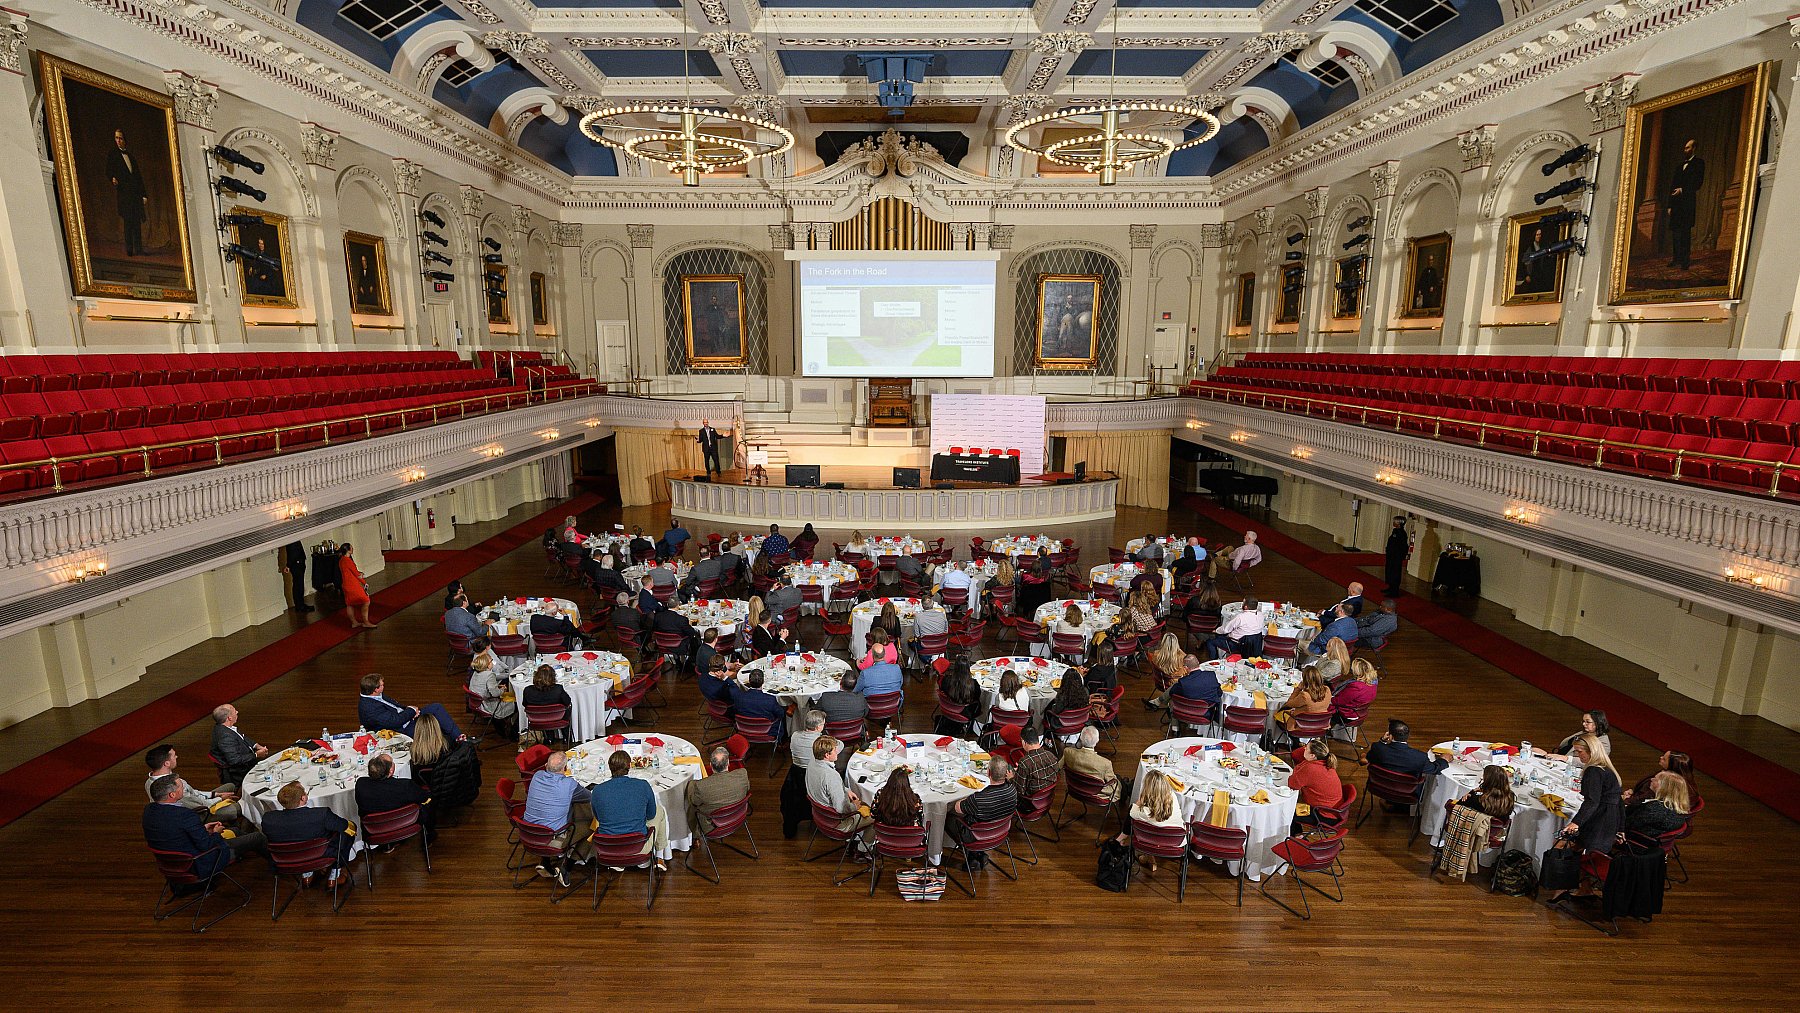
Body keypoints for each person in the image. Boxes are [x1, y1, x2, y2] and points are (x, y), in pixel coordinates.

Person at [143, 775, 264, 879]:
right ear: (172, 794)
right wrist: (216, 832)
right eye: (181, 787)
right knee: (258, 837)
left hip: (170, 864)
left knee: (236, 831)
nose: (184, 788)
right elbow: (207, 845)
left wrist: (204, 829)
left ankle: (245, 852)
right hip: (199, 862)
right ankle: (276, 868)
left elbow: (176, 832)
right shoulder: (186, 815)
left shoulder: (149, 811)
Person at [1552, 733, 1624, 901]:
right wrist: (1621, 828)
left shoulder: (1593, 771)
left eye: (1579, 752)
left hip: (1599, 822)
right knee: (1584, 850)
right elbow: (1618, 801)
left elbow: (1592, 801)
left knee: (1566, 847)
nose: (1577, 755)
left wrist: (1576, 822)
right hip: (1609, 820)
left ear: (1590, 751)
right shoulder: (1607, 769)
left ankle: (1562, 888)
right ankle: (1584, 888)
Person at [263, 781, 356, 887]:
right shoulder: (321, 814)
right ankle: (335, 875)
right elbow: (344, 826)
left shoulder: (268, 820)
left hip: (286, 860)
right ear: (303, 798)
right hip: (320, 854)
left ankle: (306, 875)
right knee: (347, 832)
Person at [523, 751, 591, 884]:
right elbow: (588, 797)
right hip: (552, 838)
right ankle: (566, 867)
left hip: (528, 833)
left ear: (545, 765)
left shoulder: (537, 776)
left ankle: (545, 861)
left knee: (551, 815)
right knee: (591, 827)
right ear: (565, 769)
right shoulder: (569, 784)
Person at [142, 744, 240, 824]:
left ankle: (231, 821)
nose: (176, 757)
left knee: (230, 786)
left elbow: (193, 793)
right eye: (174, 755)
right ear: (166, 763)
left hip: (196, 801)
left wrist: (214, 794)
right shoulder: (174, 789)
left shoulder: (150, 780)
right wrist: (220, 799)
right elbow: (198, 804)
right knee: (239, 808)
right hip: (199, 812)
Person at [358, 673, 467, 743]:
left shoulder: (376, 696)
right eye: (382, 685)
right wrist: (411, 711)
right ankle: (454, 741)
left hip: (406, 717)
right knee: (431, 727)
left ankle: (459, 737)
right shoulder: (369, 707)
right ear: (375, 690)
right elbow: (395, 722)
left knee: (436, 708)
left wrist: (412, 711)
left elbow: (396, 707)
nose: (384, 685)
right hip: (400, 729)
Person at [411, 718, 480, 823]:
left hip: (431, 785)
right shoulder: (447, 743)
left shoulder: (416, 752)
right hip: (448, 784)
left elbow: (415, 778)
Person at [949, 758, 1016, 864]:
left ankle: (972, 853)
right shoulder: (1012, 790)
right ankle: (977, 854)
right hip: (1000, 832)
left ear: (988, 772)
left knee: (948, 817)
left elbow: (958, 807)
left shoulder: (978, 798)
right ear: (1006, 773)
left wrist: (965, 798)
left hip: (977, 835)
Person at [806, 736, 872, 843]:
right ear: (827, 755)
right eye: (834, 750)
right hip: (838, 823)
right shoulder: (831, 776)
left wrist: (845, 790)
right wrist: (855, 805)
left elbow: (828, 788)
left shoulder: (812, 763)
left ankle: (857, 840)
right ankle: (862, 851)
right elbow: (842, 809)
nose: (837, 751)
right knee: (877, 816)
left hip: (821, 817)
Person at [354, 752, 434, 837]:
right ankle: (430, 835)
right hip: (405, 824)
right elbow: (424, 798)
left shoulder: (361, 785)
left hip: (374, 830)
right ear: (391, 771)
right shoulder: (405, 786)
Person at [686, 745, 750, 833]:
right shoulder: (742, 774)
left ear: (710, 764)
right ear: (728, 763)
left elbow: (694, 802)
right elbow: (747, 789)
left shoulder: (701, 786)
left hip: (712, 826)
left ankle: (695, 836)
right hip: (738, 816)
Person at [1287, 739, 1343, 831]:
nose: (1304, 748)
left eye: (1306, 748)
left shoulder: (1310, 768)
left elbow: (1292, 784)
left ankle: (1294, 838)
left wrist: (1298, 768)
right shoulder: (1325, 763)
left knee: (1287, 811)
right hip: (1333, 811)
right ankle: (1297, 834)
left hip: (1323, 815)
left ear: (1313, 756)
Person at [1666, 138, 1704, 271]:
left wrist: (1682, 190)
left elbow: (1698, 183)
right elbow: (1672, 185)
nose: (1685, 150)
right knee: (1676, 233)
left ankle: (1685, 261)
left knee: (1685, 233)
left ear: (1694, 148)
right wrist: (1670, 206)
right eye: (1685, 148)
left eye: (1688, 148)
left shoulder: (1699, 163)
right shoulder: (1679, 166)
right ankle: (1676, 259)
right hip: (1676, 205)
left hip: (1687, 204)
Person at [1365, 719, 1447, 781]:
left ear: (1390, 736)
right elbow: (1434, 769)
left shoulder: (1378, 748)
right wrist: (1443, 760)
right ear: (1408, 735)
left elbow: (1370, 757)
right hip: (1406, 793)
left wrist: (1382, 741)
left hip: (1379, 786)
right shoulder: (1419, 757)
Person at [210, 703, 267, 787]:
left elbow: (243, 738)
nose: (237, 712)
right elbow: (235, 760)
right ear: (229, 718)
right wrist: (256, 754)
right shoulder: (225, 737)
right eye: (234, 711)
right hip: (241, 771)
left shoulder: (223, 727)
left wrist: (257, 746)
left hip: (248, 761)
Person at [1623, 772, 1691, 839]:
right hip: (1652, 840)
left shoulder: (1653, 809)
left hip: (1635, 840)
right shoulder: (1677, 807)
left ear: (1664, 787)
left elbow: (1626, 824)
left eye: (1655, 779)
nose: (1651, 779)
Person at [1060, 726, 1120, 801]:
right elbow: (1112, 783)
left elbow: (1058, 767)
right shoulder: (1105, 763)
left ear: (1081, 739)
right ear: (1097, 741)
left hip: (1075, 788)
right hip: (1095, 793)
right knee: (1119, 781)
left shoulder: (1068, 752)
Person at [1624, 750, 1698, 808]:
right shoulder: (1666, 775)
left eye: (1664, 759)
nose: (1661, 757)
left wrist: (1627, 799)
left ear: (1672, 767)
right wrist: (1633, 791)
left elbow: (1645, 798)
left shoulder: (1667, 785)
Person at [521, 664, 573, 744]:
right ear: (553, 677)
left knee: (545, 712)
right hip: (557, 717)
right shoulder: (558, 689)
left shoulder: (528, 690)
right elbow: (568, 702)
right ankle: (566, 737)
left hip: (537, 719)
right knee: (566, 709)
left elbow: (525, 704)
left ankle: (549, 738)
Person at [729, 668, 787, 739]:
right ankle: (783, 740)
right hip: (768, 732)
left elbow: (734, 711)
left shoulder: (739, 697)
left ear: (749, 681)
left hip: (744, 729)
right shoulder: (770, 699)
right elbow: (781, 714)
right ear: (763, 681)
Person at [1537, 709, 1612, 760]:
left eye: (1587, 722)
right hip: (1558, 757)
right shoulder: (1584, 733)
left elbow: (1593, 762)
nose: (1584, 724)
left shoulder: (1603, 742)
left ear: (1598, 723)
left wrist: (1565, 758)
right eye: (1583, 721)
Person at [1043, 666, 1094, 737]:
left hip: (1063, 724)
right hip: (1080, 722)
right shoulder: (1085, 691)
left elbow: (1057, 711)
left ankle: (1047, 737)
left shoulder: (1062, 695)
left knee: (1046, 712)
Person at [1330, 657, 1380, 728]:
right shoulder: (1373, 683)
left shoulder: (1356, 687)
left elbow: (1339, 701)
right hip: (1360, 713)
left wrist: (1327, 699)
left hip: (1346, 715)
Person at [1012, 726, 1059, 800]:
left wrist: (1011, 778)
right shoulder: (1052, 756)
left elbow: (1019, 791)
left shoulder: (1024, 762)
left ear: (1024, 742)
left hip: (1029, 802)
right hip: (1047, 799)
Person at [1142, 633, 1188, 709]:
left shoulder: (1156, 655)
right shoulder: (1181, 657)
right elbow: (1186, 672)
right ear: (1176, 643)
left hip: (1162, 682)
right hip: (1175, 683)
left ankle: (1158, 702)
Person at [339, 543, 374, 630]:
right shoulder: (348, 561)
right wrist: (364, 581)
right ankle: (366, 622)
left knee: (350, 604)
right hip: (353, 585)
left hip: (345, 585)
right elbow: (357, 574)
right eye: (351, 547)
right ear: (348, 550)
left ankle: (354, 622)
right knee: (366, 601)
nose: (353, 548)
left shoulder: (341, 560)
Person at [280, 541, 312, 613]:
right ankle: (300, 606)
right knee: (298, 585)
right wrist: (288, 565)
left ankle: (301, 604)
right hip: (296, 564)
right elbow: (292, 553)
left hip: (298, 563)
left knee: (299, 585)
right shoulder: (292, 540)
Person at [1383, 516, 1410, 595]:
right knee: (1390, 571)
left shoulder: (1401, 533)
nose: (1393, 523)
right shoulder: (1395, 531)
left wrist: (1400, 555)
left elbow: (1402, 546)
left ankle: (1394, 590)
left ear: (1399, 523)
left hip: (1396, 557)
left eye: (1395, 521)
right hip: (1391, 555)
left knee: (1395, 573)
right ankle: (1391, 587)